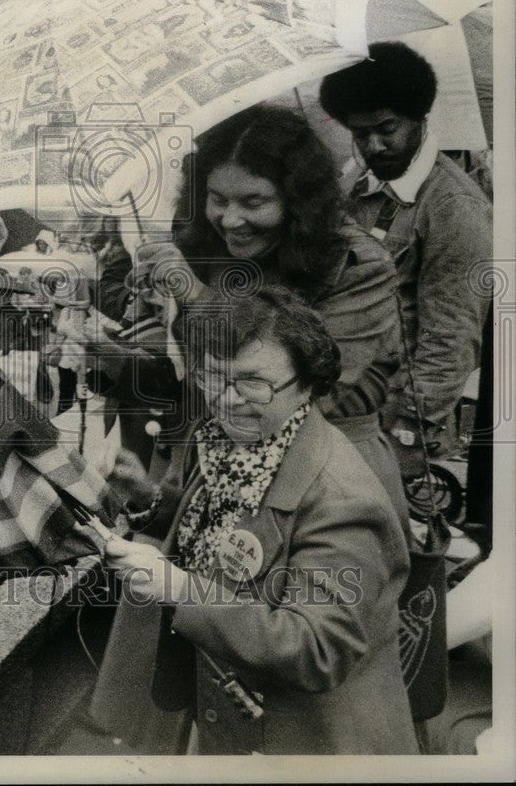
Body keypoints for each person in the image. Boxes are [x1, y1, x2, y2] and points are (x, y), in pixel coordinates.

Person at [91, 288, 418, 755]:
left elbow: (317, 648)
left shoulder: (343, 502)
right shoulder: (249, 442)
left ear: (308, 383)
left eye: (253, 383)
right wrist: (149, 499)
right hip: (243, 716)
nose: (226, 401)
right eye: (211, 379)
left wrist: (181, 589)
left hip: (312, 743)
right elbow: (230, 527)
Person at [111, 104, 408, 526]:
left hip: (325, 487)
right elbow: (195, 376)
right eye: (217, 199)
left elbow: (306, 393)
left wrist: (198, 298)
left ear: (298, 200)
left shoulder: (359, 267)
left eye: (254, 201)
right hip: (213, 468)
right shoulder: (209, 248)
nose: (231, 220)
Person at [318, 42, 492, 476]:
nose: (373, 145)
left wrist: (405, 434)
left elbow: (450, 342)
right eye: (360, 134)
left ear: (420, 118)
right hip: (339, 397)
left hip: (392, 414)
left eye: (386, 128)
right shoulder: (355, 179)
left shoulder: (456, 209)